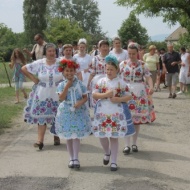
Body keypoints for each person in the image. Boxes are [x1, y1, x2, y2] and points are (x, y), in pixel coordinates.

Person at [92, 55, 135, 171]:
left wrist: (118, 99)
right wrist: (105, 95)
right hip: (103, 111)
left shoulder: (121, 83)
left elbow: (129, 95)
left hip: (116, 112)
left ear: (117, 70)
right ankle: (107, 152)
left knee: (114, 137)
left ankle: (114, 162)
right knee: (102, 135)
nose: (109, 71)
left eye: (111, 69)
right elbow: (94, 94)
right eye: (107, 69)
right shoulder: (101, 81)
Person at [22, 43, 63, 149]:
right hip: (42, 93)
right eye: (49, 51)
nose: (52, 53)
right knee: (42, 116)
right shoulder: (40, 63)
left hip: (57, 92)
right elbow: (24, 68)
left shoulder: (61, 63)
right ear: (45, 52)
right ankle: (40, 141)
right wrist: (34, 79)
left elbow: (71, 71)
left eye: (53, 51)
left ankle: (56, 136)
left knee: (57, 115)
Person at [55, 59, 91, 169]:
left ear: (75, 71)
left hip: (78, 112)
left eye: (71, 71)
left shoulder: (80, 84)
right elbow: (61, 98)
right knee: (69, 136)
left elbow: (85, 97)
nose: (69, 73)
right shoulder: (61, 85)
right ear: (63, 72)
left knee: (76, 136)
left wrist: (80, 102)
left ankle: (76, 158)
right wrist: (68, 85)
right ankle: (71, 158)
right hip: (66, 112)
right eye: (67, 71)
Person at [120, 42, 154, 154]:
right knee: (126, 119)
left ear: (137, 53)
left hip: (139, 92)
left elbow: (148, 77)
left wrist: (151, 87)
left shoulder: (143, 65)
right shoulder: (123, 64)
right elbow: (118, 78)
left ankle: (134, 143)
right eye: (129, 53)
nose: (131, 55)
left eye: (133, 53)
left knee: (137, 121)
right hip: (126, 92)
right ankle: (126, 145)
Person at [87, 40, 110, 107]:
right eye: (103, 46)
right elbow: (92, 73)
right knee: (97, 101)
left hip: (109, 79)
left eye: (106, 46)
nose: (105, 48)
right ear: (99, 48)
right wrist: (88, 83)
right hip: (97, 80)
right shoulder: (95, 59)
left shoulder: (111, 58)